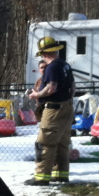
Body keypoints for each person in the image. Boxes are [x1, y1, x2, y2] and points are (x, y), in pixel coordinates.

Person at [26, 36, 74, 186]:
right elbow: (73, 87)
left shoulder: (52, 67)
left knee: (45, 142)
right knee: (62, 143)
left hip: (54, 109)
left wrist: (36, 95)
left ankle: (41, 177)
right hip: (66, 107)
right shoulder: (65, 65)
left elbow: (51, 88)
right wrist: (67, 100)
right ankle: (60, 174)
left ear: (44, 53)